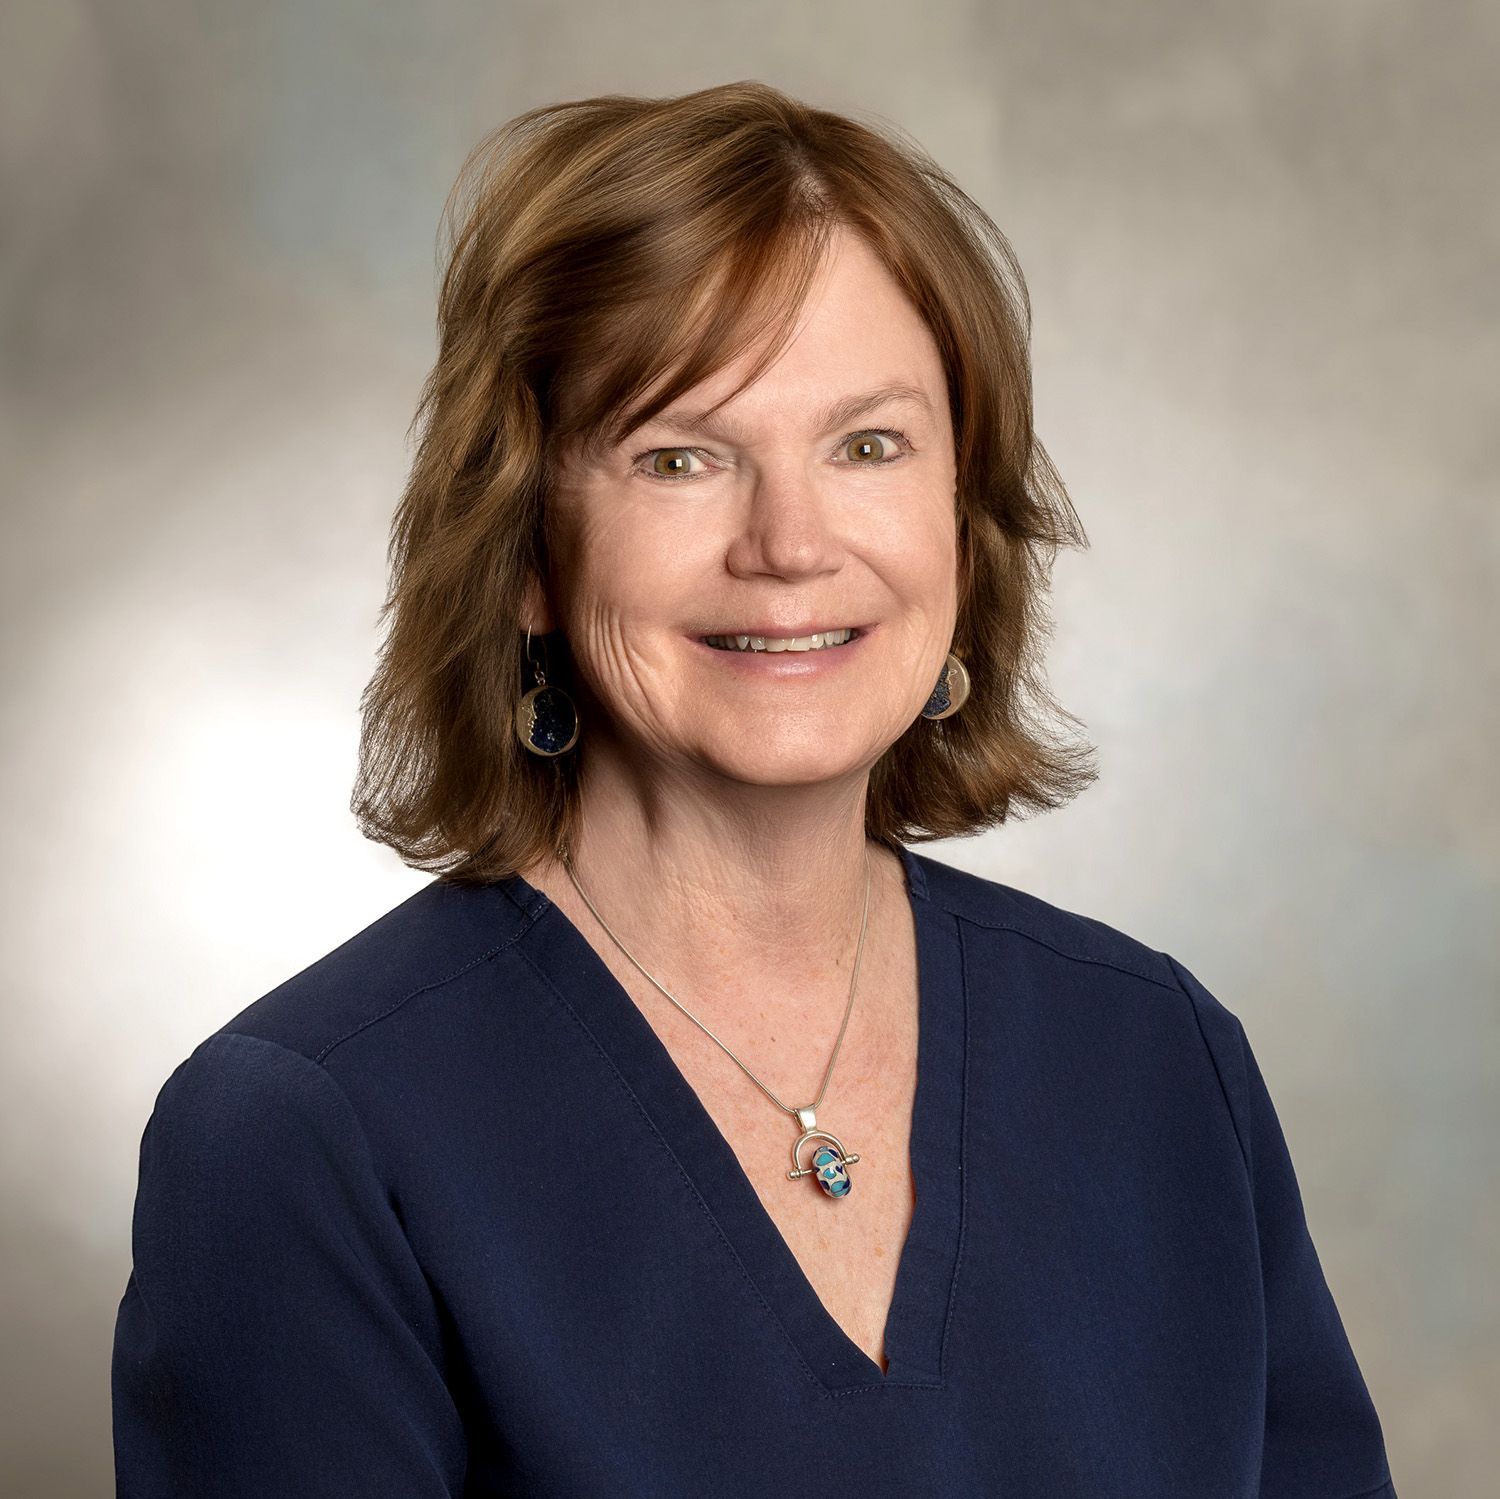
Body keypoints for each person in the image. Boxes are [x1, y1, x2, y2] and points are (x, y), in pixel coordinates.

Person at [111, 81, 1397, 1497]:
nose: (789, 544)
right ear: (528, 549)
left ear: (959, 518)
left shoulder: (1161, 1063)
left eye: (868, 445)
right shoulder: (304, 1137)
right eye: (681, 456)